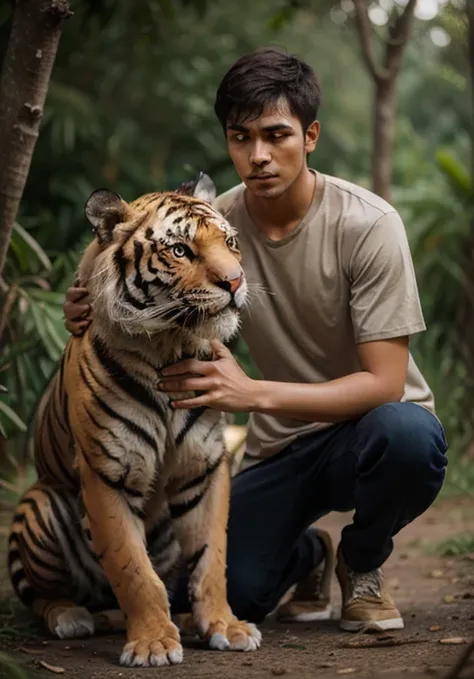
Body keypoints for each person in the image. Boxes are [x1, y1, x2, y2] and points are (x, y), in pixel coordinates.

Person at [63, 47, 447, 633]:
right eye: (240, 137)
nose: (258, 155)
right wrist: (84, 293)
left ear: (311, 135)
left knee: (410, 437)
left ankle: (362, 562)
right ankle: (309, 557)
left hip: (370, 430)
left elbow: (386, 383)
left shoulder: (369, 225)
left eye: (277, 135)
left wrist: (251, 394)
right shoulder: (214, 220)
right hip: (281, 447)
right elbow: (130, 242)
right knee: (230, 593)